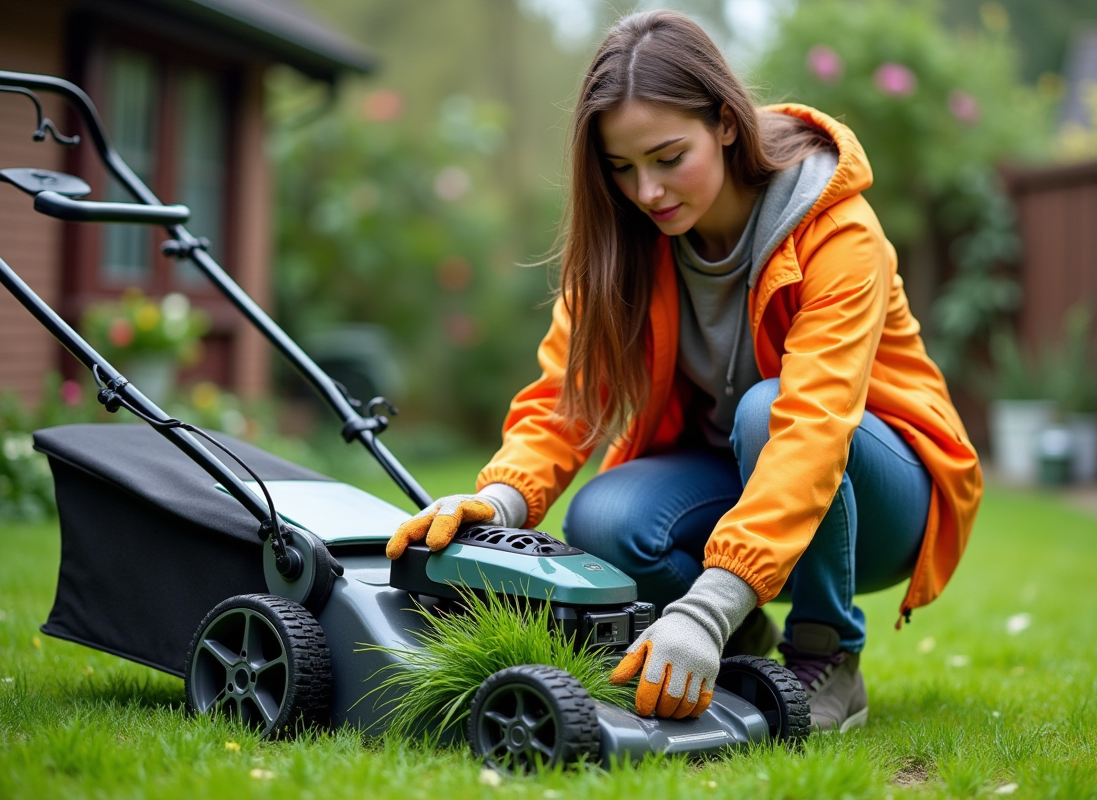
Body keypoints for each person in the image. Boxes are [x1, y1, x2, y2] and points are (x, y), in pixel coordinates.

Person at [387, 9, 983, 733]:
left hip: (882, 495)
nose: (647, 192)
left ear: (727, 123)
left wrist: (702, 606)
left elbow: (813, 427)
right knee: (605, 519)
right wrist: (501, 502)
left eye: (669, 158)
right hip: (739, 475)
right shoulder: (630, 243)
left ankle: (827, 654)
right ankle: (740, 642)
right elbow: (565, 401)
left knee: (770, 409)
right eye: (623, 168)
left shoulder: (838, 233)